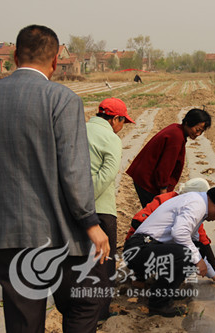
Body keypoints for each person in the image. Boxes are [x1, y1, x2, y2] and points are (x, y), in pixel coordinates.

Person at [0, 25, 110, 333]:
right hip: (63, 236)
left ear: (14, 56)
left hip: (6, 235)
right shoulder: (62, 100)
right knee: (84, 302)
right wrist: (91, 223)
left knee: (23, 321)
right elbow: (73, 170)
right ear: (55, 60)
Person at [123, 185, 215, 317]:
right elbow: (179, 233)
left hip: (151, 248)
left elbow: (195, 245)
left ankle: (167, 291)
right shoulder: (197, 205)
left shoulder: (199, 205)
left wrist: (213, 274)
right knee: (185, 255)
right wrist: (198, 260)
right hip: (138, 249)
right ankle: (158, 304)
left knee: (197, 248)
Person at [86, 97, 135, 320]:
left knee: (81, 261)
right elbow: (106, 175)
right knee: (104, 263)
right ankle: (101, 313)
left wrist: (74, 204)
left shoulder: (78, 130)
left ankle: (83, 309)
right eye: (123, 122)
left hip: (73, 210)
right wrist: (85, 202)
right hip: (100, 209)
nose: (122, 128)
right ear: (115, 119)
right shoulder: (110, 139)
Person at [125, 177, 215, 285]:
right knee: (183, 254)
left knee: (192, 249)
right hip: (140, 244)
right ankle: (143, 277)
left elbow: (201, 240)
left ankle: (162, 277)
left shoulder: (188, 208)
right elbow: (138, 221)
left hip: (154, 244)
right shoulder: (178, 204)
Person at [126, 108, 211, 208]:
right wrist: (163, 190)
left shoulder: (176, 128)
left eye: (201, 131)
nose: (198, 134)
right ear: (188, 122)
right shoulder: (176, 137)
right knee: (154, 214)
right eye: (197, 130)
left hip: (145, 176)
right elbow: (165, 166)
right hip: (148, 181)